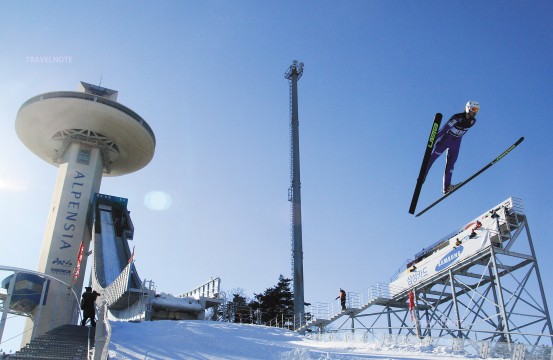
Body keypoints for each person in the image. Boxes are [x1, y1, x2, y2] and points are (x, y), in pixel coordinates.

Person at [425, 101, 480, 194]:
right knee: (432, 158)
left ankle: (446, 187)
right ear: (468, 108)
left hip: (456, 142)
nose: (475, 112)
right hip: (446, 139)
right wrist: (433, 140)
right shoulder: (457, 118)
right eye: (474, 109)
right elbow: (444, 129)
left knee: (451, 165)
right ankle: (423, 176)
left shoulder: (473, 121)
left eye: (477, 110)